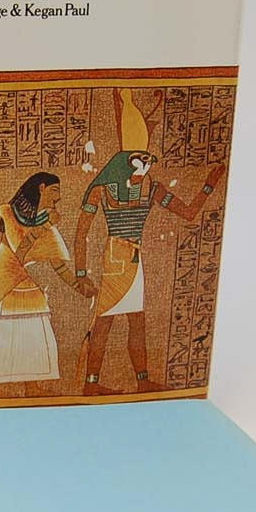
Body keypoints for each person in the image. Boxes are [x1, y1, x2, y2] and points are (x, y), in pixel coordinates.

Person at [73, 89, 224, 394]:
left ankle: (141, 381)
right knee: (105, 320)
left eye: (148, 161)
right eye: (140, 161)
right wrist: (80, 273)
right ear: (124, 163)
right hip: (116, 258)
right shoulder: (102, 190)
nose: (146, 167)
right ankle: (91, 384)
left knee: (136, 321)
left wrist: (209, 186)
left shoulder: (151, 188)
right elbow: (81, 233)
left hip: (133, 258)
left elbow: (188, 213)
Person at [0, 172, 94, 394]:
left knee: (34, 329)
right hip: (9, 275)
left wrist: (79, 287)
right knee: (5, 331)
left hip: (29, 278)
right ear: (41, 188)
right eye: (55, 190)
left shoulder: (44, 219)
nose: (58, 197)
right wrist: (44, 226)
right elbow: (21, 251)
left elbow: (57, 264)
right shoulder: (10, 212)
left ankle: (32, 386)